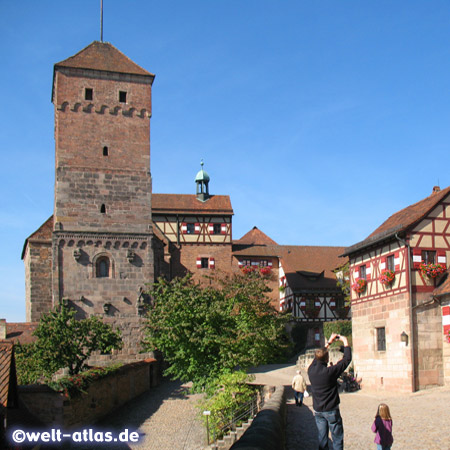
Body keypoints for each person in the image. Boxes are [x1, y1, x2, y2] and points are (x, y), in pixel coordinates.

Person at [307, 333, 352, 450]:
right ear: (327, 359)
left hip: (318, 410)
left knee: (322, 439)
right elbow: (346, 359)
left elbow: (316, 359)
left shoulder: (311, 371)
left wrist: (328, 343)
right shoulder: (330, 372)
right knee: (337, 439)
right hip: (331, 410)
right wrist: (345, 342)